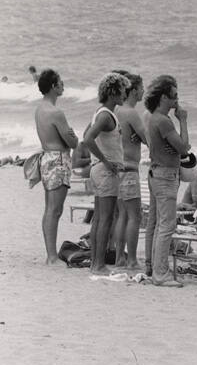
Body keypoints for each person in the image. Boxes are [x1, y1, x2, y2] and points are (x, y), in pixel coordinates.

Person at [145, 74, 190, 287]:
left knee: (159, 224)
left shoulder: (153, 117)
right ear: (164, 97)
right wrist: (184, 121)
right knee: (167, 226)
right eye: (173, 97)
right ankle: (160, 273)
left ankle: (157, 268)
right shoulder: (163, 120)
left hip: (156, 173)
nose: (176, 101)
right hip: (165, 176)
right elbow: (183, 147)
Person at [84, 72, 130, 275]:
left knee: (99, 219)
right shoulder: (105, 115)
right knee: (106, 219)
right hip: (104, 171)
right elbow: (87, 139)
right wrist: (105, 161)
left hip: (98, 170)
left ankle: (95, 262)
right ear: (112, 93)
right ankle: (98, 264)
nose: (124, 94)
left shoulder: (100, 112)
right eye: (122, 90)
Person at [34, 68, 78, 264]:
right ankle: (52, 256)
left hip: (46, 158)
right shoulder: (56, 112)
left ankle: (50, 254)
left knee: (50, 209)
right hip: (58, 159)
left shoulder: (40, 109)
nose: (63, 85)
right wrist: (73, 135)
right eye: (60, 82)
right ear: (53, 86)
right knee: (55, 210)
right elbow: (72, 142)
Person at [113, 72, 148, 270]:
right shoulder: (131, 113)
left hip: (117, 167)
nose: (144, 91)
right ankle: (132, 259)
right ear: (133, 91)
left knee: (122, 215)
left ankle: (120, 257)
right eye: (141, 88)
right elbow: (147, 138)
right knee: (135, 216)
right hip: (130, 168)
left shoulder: (116, 110)